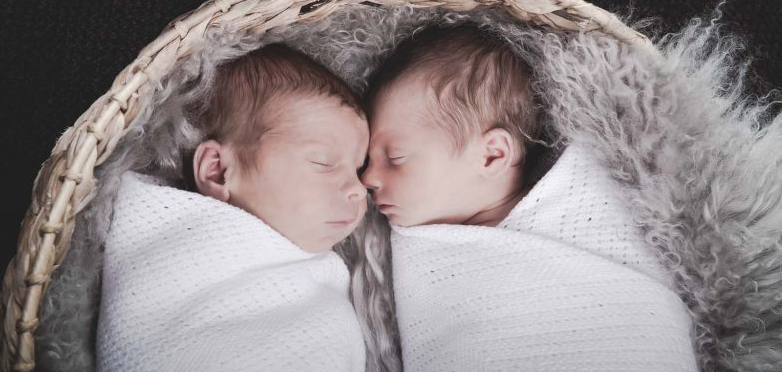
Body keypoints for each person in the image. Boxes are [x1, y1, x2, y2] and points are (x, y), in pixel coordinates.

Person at [361, 20, 699, 372]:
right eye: (367, 160)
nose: (368, 177)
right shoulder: (409, 247)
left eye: (395, 158)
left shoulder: (581, 199)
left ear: (492, 155)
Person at [96, 43, 370, 372]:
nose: (358, 189)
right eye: (323, 162)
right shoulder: (178, 255)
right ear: (218, 170)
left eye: (357, 169)